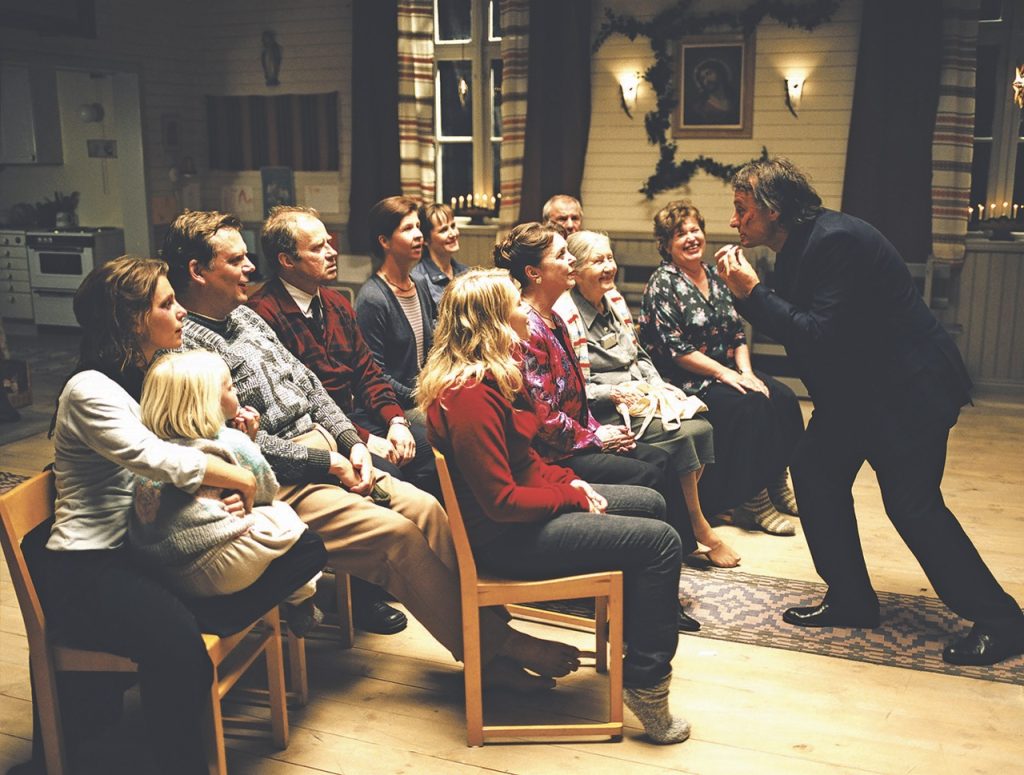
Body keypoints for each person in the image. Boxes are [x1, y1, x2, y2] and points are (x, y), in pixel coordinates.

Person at [163, 209, 581, 689]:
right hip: (279, 481)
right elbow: (232, 443)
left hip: (331, 452)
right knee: (395, 536)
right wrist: (329, 460)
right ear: (197, 271)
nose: (250, 269)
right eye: (235, 260)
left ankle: (490, 640)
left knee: (428, 509)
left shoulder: (245, 318)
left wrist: (351, 443)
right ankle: (495, 652)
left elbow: (313, 387)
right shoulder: (185, 346)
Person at [716, 156, 1024, 665]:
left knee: (913, 506)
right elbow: (813, 334)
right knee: (814, 473)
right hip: (857, 394)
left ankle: (1002, 621)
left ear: (773, 209)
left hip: (907, 394)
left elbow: (819, 334)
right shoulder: (797, 244)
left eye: (742, 209)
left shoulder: (837, 241)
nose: (735, 221)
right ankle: (850, 599)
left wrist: (752, 294)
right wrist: (755, 296)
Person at [43, 257, 326, 774]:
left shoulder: (141, 375)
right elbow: (162, 461)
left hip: (137, 546)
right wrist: (238, 480)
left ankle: (198, 615)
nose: (179, 313)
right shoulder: (90, 388)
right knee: (181, 652)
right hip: (89, 567)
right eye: (166, 303)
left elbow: (183, 444)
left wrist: (235, 442)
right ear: (132, 321)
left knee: (308, 548)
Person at [419, 268, 690, 744]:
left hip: (526, 519)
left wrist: (572, 482)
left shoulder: (495, 375)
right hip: (508, 541)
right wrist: (570, 495)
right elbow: (502, 502)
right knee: (663, 544)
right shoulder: (468, 397)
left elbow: (528, 464)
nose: (526, 311)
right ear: (494, 323)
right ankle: (647, 683)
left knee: (651, 502)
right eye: (514, 306)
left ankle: (639, 643)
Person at [495, 223, 702, 632]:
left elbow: (573, 396)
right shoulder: (528, 326)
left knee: (661, 457)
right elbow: (543, 416)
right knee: (648, 472)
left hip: (574, 440)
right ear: (534, 273)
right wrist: (596, 436)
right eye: (561, 256)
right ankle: (651, 587)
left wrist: (598, 430)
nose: (570, 260)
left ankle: (661, 579)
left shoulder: (553, 316)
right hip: (553, 455)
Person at [555, 230, 736, 568]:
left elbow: (639, 356)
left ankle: (686, 516)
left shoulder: (615, 302)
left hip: (641, 395)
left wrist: (658, 385)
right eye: (598, 261)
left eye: (609, 258)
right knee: (682, 436)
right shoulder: (566, 315)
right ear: (575, 271)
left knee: (702, 427)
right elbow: (577, 388)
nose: (609, 266)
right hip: (606, 408)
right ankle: (697, 525)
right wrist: (617, 393)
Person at [639, 200, 804, 537]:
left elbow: (737, 333)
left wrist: (746, 373)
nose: (690, 238)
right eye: (679, 233)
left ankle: (776, 481)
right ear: (666, 244)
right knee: (750, 405)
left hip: (727, 369)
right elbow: (676, 350)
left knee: (783, 397)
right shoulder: (662, 283)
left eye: (694, 229)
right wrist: (725, 374)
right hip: (685, 380)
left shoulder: (716, 276)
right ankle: (752, 499)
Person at [249, 206, 438, 497]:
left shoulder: (335, 303)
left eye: (328, 241)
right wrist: (361, 440)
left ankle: (447, 537)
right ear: (287, 260)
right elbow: (301, 404)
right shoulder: (264, 313)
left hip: (355, 417)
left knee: (430, 448)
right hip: (320, 434)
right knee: (392, 472)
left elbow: (368, 375)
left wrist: (396, 420)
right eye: (318, 247)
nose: (332, 251)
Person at [132, 350, 323, 636]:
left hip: (167, 571)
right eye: (231, 387)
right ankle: (300, 599)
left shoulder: (149, 450)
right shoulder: (229, 440)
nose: (237, 392)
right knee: (289, 522)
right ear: (208, 402)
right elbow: (265, 492)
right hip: (219, 566)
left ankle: (297, 600)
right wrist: (251, 443)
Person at [355, 196, 435, 422]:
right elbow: (375, 374)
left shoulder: (419, 284)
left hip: (425, 396)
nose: (419, 235)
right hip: (396, 406)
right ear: (385, 241)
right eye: (407, 228)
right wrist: (421, 395)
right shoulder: (373, 298)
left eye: (418, 227)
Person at [411, 202, 469, 307]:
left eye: (453, 226)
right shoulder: (418, 279)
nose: (453, 234)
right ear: (426, 240)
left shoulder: (466, 272)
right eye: (443, 230)